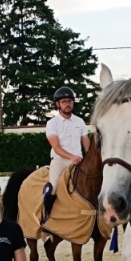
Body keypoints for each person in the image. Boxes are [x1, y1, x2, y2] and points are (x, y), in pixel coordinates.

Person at [43, 86, 90, 218]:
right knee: (52, 187)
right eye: (64, 101)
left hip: (79, 161)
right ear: (57, 104)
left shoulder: (79, 121)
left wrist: (90, 158)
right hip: (60, 161)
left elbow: (86, 143)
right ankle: (47, 215)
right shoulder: (52, 123)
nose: (67, 104)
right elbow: (56, 147)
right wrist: (71, 157)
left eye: (69, 101)